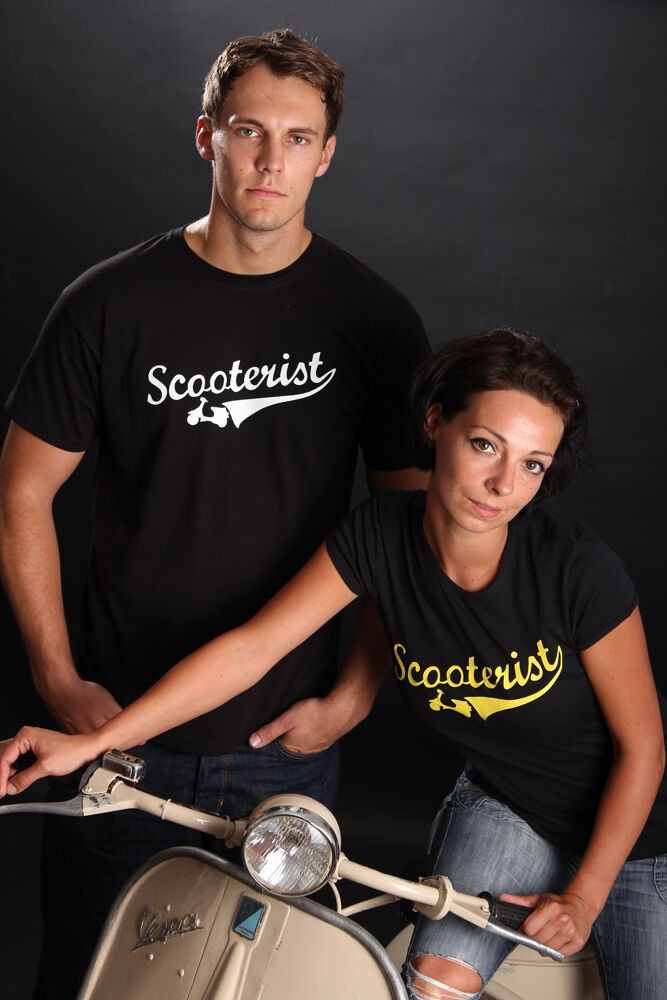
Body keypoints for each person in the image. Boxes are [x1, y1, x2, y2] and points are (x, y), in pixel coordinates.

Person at [3, 329, 666, 1000]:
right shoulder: (380, 535)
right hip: (509, 804)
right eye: (484, 445)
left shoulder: (574, 568)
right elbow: (251, 648)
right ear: (436, 423)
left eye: (533, 465)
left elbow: (642, 748)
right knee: (432, 987)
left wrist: (584, 897)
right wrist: (93, 742)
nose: (503, 484)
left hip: (643, 829)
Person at [0, 28, 430, 998]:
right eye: (248, 131)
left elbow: (402, 527)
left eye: (296, 138)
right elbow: (22, 490)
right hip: (119, 732)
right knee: (90, 975)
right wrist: (57, 676)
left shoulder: (372, 319)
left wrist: (355, 692)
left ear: (326, 154)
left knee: (258, 981)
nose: (271, 160)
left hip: (280, 744)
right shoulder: (108, 303)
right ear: (207, 137)